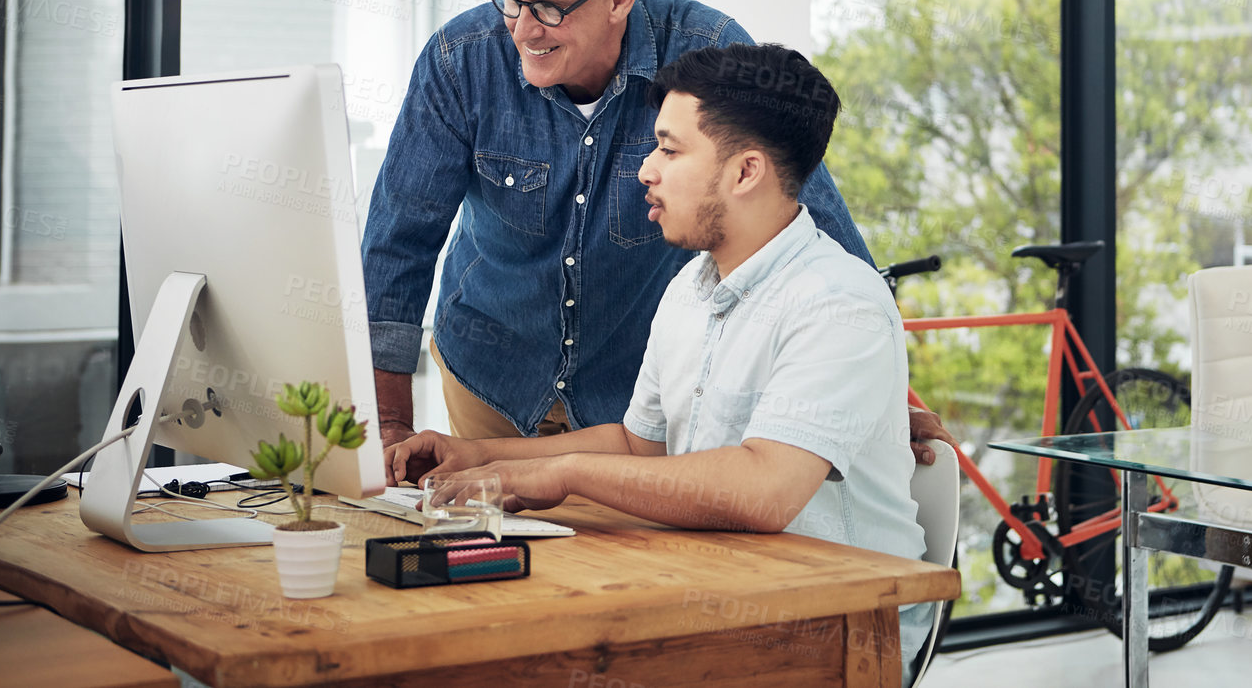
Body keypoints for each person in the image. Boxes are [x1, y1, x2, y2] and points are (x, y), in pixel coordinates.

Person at [388, 43, 936, 679]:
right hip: (718, 595)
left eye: (669, 150)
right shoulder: (691, 287)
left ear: (745, 172)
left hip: (833, 628)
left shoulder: (840, 302)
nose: (645, 170)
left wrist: (564, 473)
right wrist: (482, 457)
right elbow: (637, 443)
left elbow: (764, 491)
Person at [362, 0, 952, 460]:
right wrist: (388, 427)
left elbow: (804, 215)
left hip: (635, 400)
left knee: (631, 553)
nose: (522, 29)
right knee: (493, 544)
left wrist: (872, 395)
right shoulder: (460, 60)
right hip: (491, 372)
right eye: (511, 1)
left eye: (547, 8)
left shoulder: (704, 57)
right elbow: (399, 242)